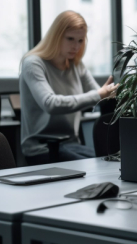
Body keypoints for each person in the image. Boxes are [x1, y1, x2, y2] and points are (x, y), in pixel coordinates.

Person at [20, 10, 118, 164]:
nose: (76, 46)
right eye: (70, 39)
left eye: (80, 40)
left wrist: (115, 94)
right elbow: (50, 104)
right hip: (42, 149)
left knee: (112, 161)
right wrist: (100, 94)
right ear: (55, 37)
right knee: (103, 165)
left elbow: (100, 97)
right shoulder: (33, 63)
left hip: (71, 146)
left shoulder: (76, 65)